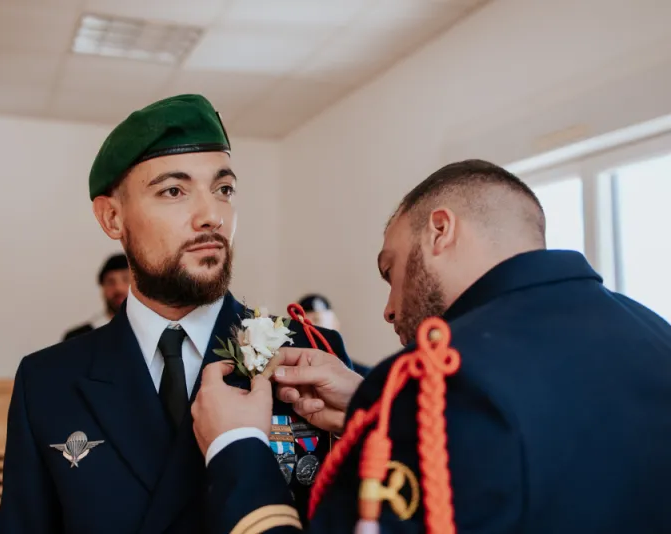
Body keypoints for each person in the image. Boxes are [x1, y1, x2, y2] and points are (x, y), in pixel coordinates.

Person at [192, 159, 671, 533]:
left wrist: (237, 445)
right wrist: (372, 404)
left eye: (390, 271)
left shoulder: (444, 382)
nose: (389, 308)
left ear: (440, 231)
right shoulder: (654, 335)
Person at [0, 94, 353, 534]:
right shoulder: (48, 382)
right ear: (112, 218)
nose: (211, 216)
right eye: (173, 191)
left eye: (223, 189)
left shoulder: (309, 357)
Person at [297, 294, 372, 377]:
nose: (322, 327)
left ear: (336, 324)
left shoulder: (364, 375)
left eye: (326, 320)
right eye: (316, 320)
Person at [63, 253, 130, 340]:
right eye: (110, 282)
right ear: (102, 287)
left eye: (126, 279)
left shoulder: (151, 334)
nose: (118, 288)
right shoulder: (76, 338)